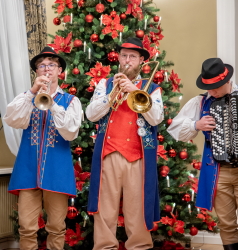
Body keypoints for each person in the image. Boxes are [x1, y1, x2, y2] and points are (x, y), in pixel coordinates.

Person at [86, 37, 164, 250]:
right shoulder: (105, 84)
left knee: (137, 211)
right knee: (104, 210)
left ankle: (139, 246)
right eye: (123, 56)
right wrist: (113, 93)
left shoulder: (152, 88)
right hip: (108, 155)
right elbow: (91, 115)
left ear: (141, 61)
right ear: (118, 58)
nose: (127, 60)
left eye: (132, 57)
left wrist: (133, 90)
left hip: (137, 157)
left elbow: (156, 118)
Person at [4, 47, 82, 250]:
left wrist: (52, 103)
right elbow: (12, 119)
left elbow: (70, 132)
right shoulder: (26, 98)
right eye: (41, 66)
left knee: (56, 227)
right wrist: (32, 93)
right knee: (26, 227)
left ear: (59, 71)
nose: (46, 69)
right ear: (37, 72)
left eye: (51, 65)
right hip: (28, 170)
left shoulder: (71, 102)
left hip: (58, 172)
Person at [167, 58, 238, 250]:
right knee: (226, 222)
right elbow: (174, 129)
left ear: (226, 82)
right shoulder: (201, 102)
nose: (212, 92)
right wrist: (195, 125)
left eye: (215, 87)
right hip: (218, 170)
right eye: (209, 87)